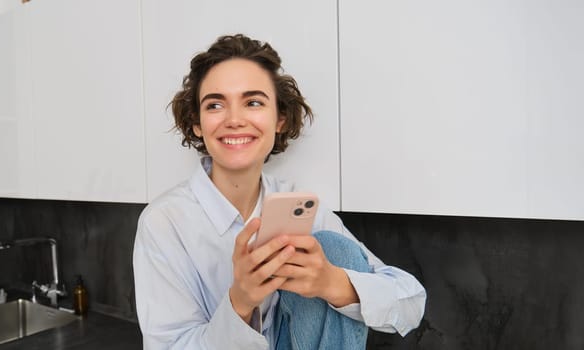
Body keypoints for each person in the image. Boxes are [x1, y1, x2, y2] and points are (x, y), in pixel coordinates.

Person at [133, 34, 426, 349]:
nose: (234, 120)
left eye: (253, 102)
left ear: (280, 119)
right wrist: (240, 302)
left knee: (334, 249)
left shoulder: (299, 208)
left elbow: (410, 303)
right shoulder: (164, 222)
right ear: (197, 124)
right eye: (215, 104)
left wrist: (331, 282)